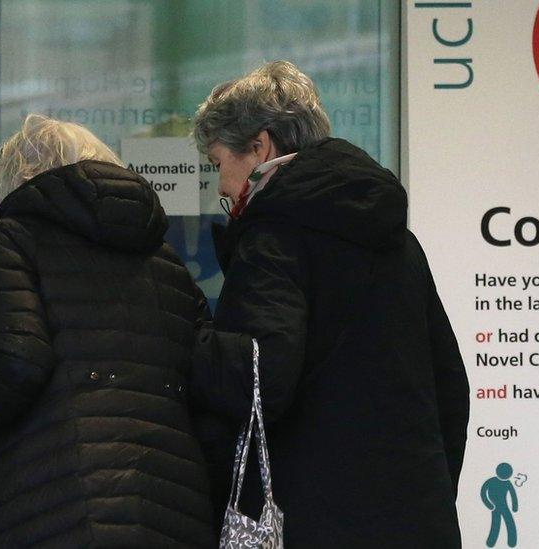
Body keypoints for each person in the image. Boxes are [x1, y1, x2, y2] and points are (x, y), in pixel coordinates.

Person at [189, 61, 469, 548]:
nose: (220, 185)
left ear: (259, 147)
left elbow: (261, 378)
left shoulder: (274, 239)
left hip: (316, 519)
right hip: (416, 521)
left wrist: (190, 343)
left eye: (218, 163)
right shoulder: (397, 241)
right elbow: (451, 390)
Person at [0, 114, 215, 548]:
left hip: (58, 502)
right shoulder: (167, 263)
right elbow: (206, 376)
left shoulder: (12, 241)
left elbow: (16, 360)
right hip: (175, 507)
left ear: (15, 181)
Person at [481, 463, 518, 547]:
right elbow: (483, 492)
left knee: (509, 522)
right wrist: (489, 504)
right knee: (496, 524)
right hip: (495, 506)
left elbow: (513, 495)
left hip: (503, 505)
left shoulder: (507, 483)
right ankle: (491, 542)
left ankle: (511, 542)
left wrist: (514, 506)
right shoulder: (491, 481)